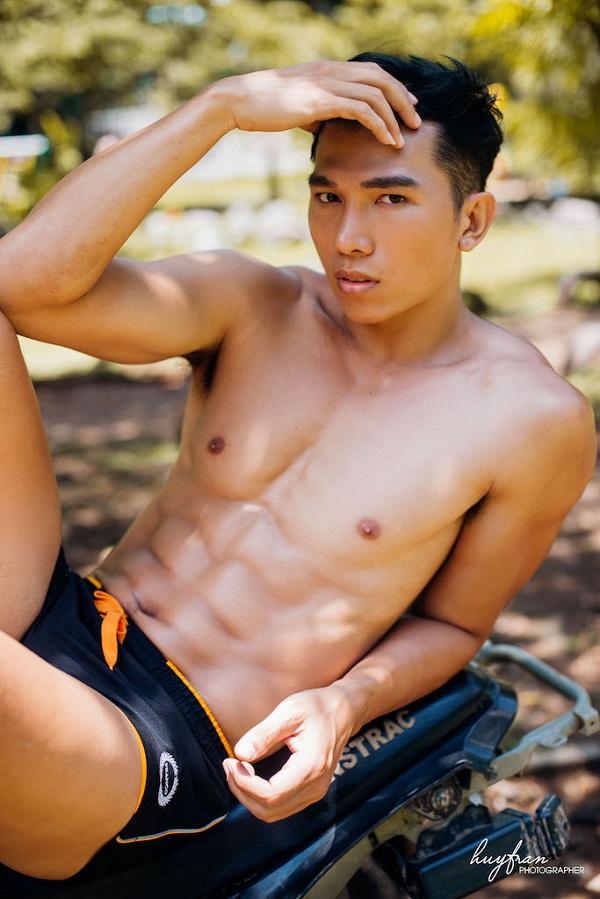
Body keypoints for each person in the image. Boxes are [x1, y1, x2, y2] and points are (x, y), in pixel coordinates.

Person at [0, 52, 596, 884]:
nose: (348, 238)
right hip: (61, 611)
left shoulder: (531, 418)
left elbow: (456, 626)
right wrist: (221, 105)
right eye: (328, 195)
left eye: (391, 198)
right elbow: (22, 283)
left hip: (156, 744)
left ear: (472, 220)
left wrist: (343, 701)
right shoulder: (256, 303)